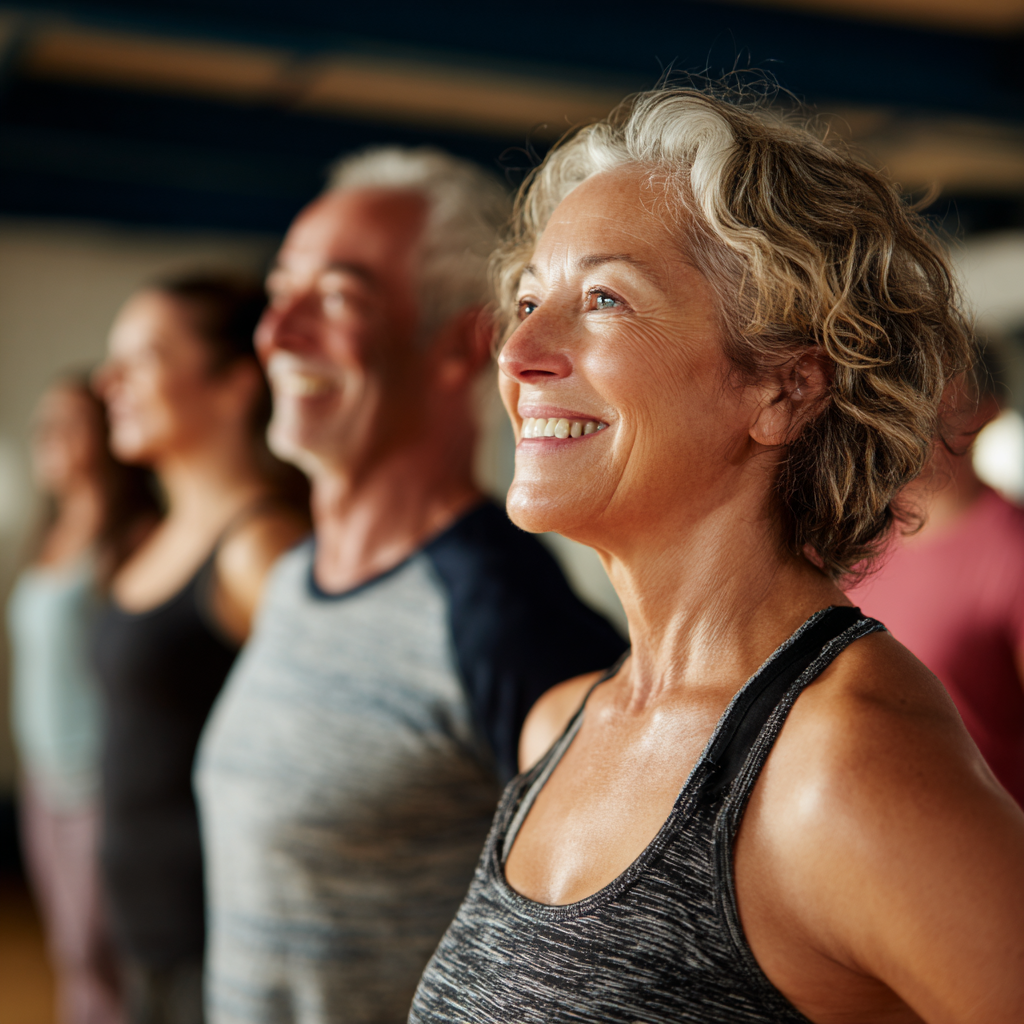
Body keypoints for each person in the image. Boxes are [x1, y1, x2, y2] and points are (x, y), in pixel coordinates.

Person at [409, 88, 1024, 1024]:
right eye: (529, 299)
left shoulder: (838, 769)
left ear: (784, 389)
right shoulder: (559, 727)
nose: (520, 349)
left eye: (605, 298)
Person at [194, 146, 627, 1024]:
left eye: (341, 299)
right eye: (282, 293)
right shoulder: (290, 582)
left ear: (465, 342)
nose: (277, 336)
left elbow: (613, 949)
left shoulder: (501, 616)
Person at [91, 275, 310, 1024]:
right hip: (141, 931)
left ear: (233, 385)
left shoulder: (260, 548)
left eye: (143, 358)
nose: (106, 380)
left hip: (217, 942)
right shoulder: (153, 535)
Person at [9, 375, 158, 1024]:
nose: (49, 438)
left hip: (100, 783)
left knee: (103, 954)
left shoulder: (133, 539)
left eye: (67, 424)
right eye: (45, 424)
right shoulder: (44, 536)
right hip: (42, 780)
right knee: (70, 950)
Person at [847, 348, 1024, 807]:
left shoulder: (1012, 553)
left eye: (934, 382)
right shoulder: (852, 550)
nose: (904, 396)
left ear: (985, 410)